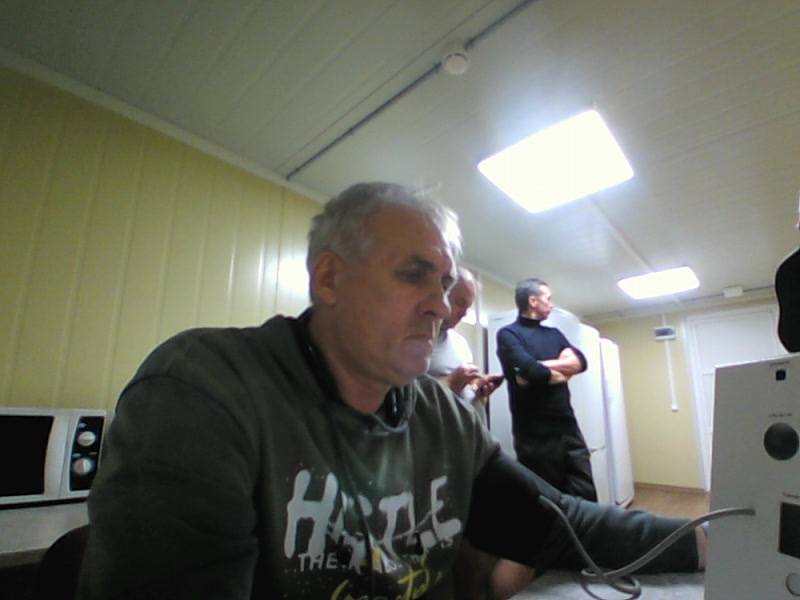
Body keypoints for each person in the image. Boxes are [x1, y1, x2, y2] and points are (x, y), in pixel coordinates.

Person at [78, 182, 704, 600]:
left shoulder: (441, 415)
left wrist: (701, 541)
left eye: (446, 284)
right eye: (413, 276)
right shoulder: (205, 390)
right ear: (329, 278)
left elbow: (556, 522)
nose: (440, 306)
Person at [496, 278, 598, 502]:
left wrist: (537, 367)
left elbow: (581, 363)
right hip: (535, 437)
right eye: (548, 299)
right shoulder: (508, 334)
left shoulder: (554, 334)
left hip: (568, 428)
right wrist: (555, 370)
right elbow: (531, 372)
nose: (552, 304)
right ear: (533, 301)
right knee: (549, 503)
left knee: (587, 496)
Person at [428, 267, 499, 423]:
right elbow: (399, 397)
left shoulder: (460, 342)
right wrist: (449, 383)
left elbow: (463, 393)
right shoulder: (408, 341)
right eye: (460, 303)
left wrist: (477, 390)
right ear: (442, 294)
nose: (464, 313)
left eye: (468, 307)